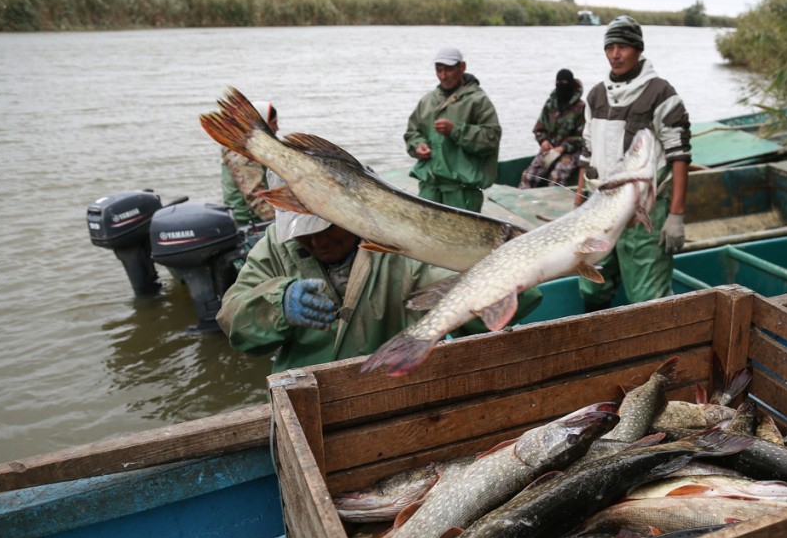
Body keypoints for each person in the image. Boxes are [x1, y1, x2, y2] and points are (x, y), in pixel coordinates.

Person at [216, 205, 542, 374]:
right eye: (303, 233)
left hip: (394, 390)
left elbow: (471, 301)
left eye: (327, 226)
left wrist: (510, 274)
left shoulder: (401, 246)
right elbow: (232, 318)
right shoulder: (275, 246)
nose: (318, 241)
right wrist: (277, 305)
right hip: (305, 394)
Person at [574, 15, 691, 310]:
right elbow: (586, 152)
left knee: (647, 298)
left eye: (623, 46)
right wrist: (578, 199)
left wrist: (676, 215)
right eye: (610, 46)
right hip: (599, 208)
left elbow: (680, 156)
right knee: (592, 287)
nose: (615, 54)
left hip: (644, 214)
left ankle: (660, 353)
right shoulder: (596, 95)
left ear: (638, 50)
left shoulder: (661, 94)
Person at [404, 47, 502, 213]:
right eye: (439, 70)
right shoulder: (428, 100)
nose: (443, 76)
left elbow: (490, 138)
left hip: (462, 192)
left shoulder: (478, 101)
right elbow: (412, 132)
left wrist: (455, 130)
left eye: (449, 69)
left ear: (462, 67)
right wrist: (418, 146)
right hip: (429, 188)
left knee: (463, 238)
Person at [519, 69, 586, 189]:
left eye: (565, 83)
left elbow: (583, 137)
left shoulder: (581, 107)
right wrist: (543, 141)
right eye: (559, 83)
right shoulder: (551, 104)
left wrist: (563, 147)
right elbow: (539, 128)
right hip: (550, 150)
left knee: (556, 178)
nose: (562, 86)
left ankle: (555, 206)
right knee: (528, 176)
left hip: (571, 153)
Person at [221, 100, 277, 225]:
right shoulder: (242, 152)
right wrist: (278, 223)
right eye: (273, 123)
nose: (277, 128)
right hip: (249, 222)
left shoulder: (250, 144)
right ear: (262, 124)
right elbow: (254, 194)